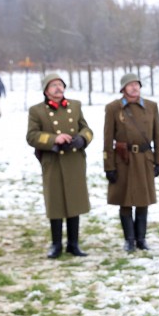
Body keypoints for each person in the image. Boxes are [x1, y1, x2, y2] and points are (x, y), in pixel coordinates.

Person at [26, 73, 93, 259]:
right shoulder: (37, 111)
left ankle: (74, 244)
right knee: (55, 202)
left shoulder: (75, 106)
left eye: (60, 84)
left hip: (74, 160)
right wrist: (54, 139)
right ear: (46, 90)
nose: (58, 88)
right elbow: (31, 136)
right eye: (53, 85)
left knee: (74, 202)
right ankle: (56, 244)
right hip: (53, 161)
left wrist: (82, 138)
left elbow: (86, 128)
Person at [103, 73, 159, 252]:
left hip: (145, 159)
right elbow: (107, 139)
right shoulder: (113, 108)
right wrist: (109, 166)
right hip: (124, 160)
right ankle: (129, 240)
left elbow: (158, 135)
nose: (134, 88)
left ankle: (141, 239)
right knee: (125, 200)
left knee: (143, 201)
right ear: (123, 89)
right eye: (130, 85)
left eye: (136, 84)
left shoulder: (151, 107)